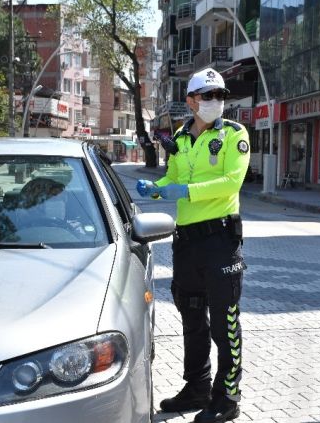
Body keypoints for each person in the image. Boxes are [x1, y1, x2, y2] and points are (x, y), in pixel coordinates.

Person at [136, 68, 250, 423]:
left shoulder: (234, 134)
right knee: (192, 318)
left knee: (224, 321)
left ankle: (227, 396)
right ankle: (197, 387)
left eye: (219, 96)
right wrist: (155, 188)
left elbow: (230, 182)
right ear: (191, 100)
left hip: (220, 240)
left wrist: (184, 192)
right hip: (186, 241)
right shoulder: (182, 139)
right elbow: (174, 177)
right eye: (207, 95)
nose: (215, 102)